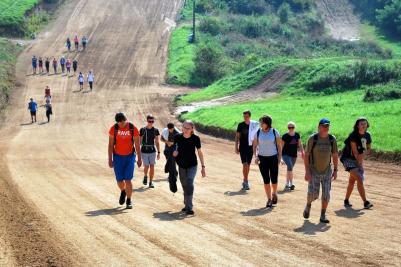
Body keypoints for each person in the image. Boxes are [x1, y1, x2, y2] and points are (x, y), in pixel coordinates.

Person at [303, 118, 339, 224]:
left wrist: (336, 169)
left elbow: (335, 155)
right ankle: (308, 204)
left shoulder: (332, 139)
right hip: (314, 170)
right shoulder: (313, 139)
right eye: (324, 126)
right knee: (313, 194)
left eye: (327, 126)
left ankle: (323, 215)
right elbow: (307, 155)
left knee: (326, 194)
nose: (326, 128)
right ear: (319, 127)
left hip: (327, 171)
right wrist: (307, 171)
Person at [108, 113, 142, 209]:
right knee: (119, 180)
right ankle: (123, 191)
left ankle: (129, 200)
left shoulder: (132, 128)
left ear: (126, 119)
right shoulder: (113, 129)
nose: (121, 124)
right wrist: (110, 159)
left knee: (128, 180)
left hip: (130, 157)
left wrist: (139, 159)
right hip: (117, 157)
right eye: (119, 123)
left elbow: (137, 145)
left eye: (122, 122)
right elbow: (110, 145)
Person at [173, 120, 206, 215]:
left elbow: (199, 152)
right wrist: (175, 153)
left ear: (192, 129)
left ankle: (189, 207)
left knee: (189, 182)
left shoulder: (195, 138)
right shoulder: (177, 137)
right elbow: (175, 148)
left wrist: (203, 166)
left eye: (188, 128)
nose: (186, 130)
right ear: (182, 127)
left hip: (192, 165)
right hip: (181, 165)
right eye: (184, 127)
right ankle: (186, 204)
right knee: (184, 185)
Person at [341, 117, 373, 209]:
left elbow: (367, 149)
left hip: (357, 159)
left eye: (365, 123)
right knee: (359, 178)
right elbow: (355, 152)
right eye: (361, 124)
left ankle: (346, 200)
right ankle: (365, 202)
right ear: (357, 126)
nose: (363, 125)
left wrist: (361, 158)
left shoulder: (368, 135)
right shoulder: (353, 135)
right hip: (348, 159)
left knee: (352, 181)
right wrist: (360, 165)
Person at [253, 115, 282, 208]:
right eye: (260, 122)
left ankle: (274, 193)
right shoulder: (258, 133)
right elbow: (254, 146)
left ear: (267, 123)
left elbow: (279, 146)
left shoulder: (274, 132)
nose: (260, 124)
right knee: (266, 179)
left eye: (262, 122)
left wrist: (279, 158)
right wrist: (256, 156)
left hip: (273, 158)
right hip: (262, 158)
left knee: (274, 178)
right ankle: (269, 199)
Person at [235, 110, 259, 190]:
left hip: (251, 147)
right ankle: (246, 181)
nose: (245, 118)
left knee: (248, 165)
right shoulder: (241, 125)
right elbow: (237, 136)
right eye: (244, 116)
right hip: (243, 147)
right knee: (245, 164)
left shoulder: (254, 125)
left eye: (247, 116)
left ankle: (245, 180)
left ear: (250, 116)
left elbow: (257, 135)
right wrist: (236, 146)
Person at [281, 121, 305, 191]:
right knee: (290, 167)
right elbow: (281, 146)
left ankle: (287, 184)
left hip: (294, 155)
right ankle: (291, 184)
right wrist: (280, 157)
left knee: (289, 169)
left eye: (292, 127)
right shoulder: (285, 136)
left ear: (294, 127)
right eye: (289, 127)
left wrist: (302, 152)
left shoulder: (297, 135)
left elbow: (300, 144)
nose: (291, 129)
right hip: (285, 154)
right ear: (288, 128)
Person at [140, 115, 161, 188]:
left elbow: (157, 142)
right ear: (147, 121)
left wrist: (159, 152)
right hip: (144, 150)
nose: (151, 123)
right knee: (146, 166)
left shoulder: (156, 130)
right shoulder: (142, 129)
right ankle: (145, 176)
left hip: (152, 150)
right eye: (150, 121)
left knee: (152, 166)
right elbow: (139, 141)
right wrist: (137, 151)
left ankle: (151, 182)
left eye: (152, 121)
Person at [161, 122, 180, 193]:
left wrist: (171, 143)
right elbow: (161, 139)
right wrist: (166, 142)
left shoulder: (177, 133)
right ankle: (175, 172)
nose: (170, 130)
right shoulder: (165, 131)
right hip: (167, 150)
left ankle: (172, 175)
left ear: (173, 128)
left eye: (171, 129)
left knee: (172, 162)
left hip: (174, 150)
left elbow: (179, 142)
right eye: (169, 129)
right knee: (169, 162)